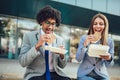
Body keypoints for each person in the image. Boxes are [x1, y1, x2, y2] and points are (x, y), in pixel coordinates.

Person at [19, 5, 71, 80]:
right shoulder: (29, 36)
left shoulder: (59, 40)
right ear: (41, 22)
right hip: (36, 74)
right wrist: (37, 45)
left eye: (53, 24)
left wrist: (62, 56)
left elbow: (62, 66)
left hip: (55, 73)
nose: (50, 27)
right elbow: (22, 62)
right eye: (47, 22)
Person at [76, 13, 114, 80]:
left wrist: (109, 58)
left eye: (101, 24)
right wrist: (85, 45)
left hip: (101, 74)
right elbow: (78, 59)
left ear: (105, 26)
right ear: (92, 26)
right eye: (95, 23)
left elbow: (109, 65)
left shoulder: (110, 41)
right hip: (85, 74)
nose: (98, 26)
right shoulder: (84, 38)